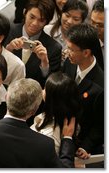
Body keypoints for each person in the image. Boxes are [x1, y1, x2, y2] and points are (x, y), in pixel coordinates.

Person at [62, 23, 104, 160]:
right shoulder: (70, 63)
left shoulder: (101, 86)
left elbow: (101, 124)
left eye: (71, 49)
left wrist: (86, 146)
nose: (67, 53)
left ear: (86, 52)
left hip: (83, 144)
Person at [5, 0, 61, 87]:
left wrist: (44, 62)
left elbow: (50, 85)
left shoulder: (54, 48)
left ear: (47, 22)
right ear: (24, 12)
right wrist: (8, 49)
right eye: (32, 17)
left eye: (41, 20)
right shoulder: (7, 31)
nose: (35, 23)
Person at [31, 71, 81, 155]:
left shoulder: (49, 138)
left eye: (45, 89)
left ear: (52, 99)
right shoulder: (71, 123)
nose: (42, 91)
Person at [44, 0, 89, 66]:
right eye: (67, 15)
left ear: (82, 22)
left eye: (75, 19)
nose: (69, 21)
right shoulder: (47, 30)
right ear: (61, 13)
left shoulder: (84, 40)